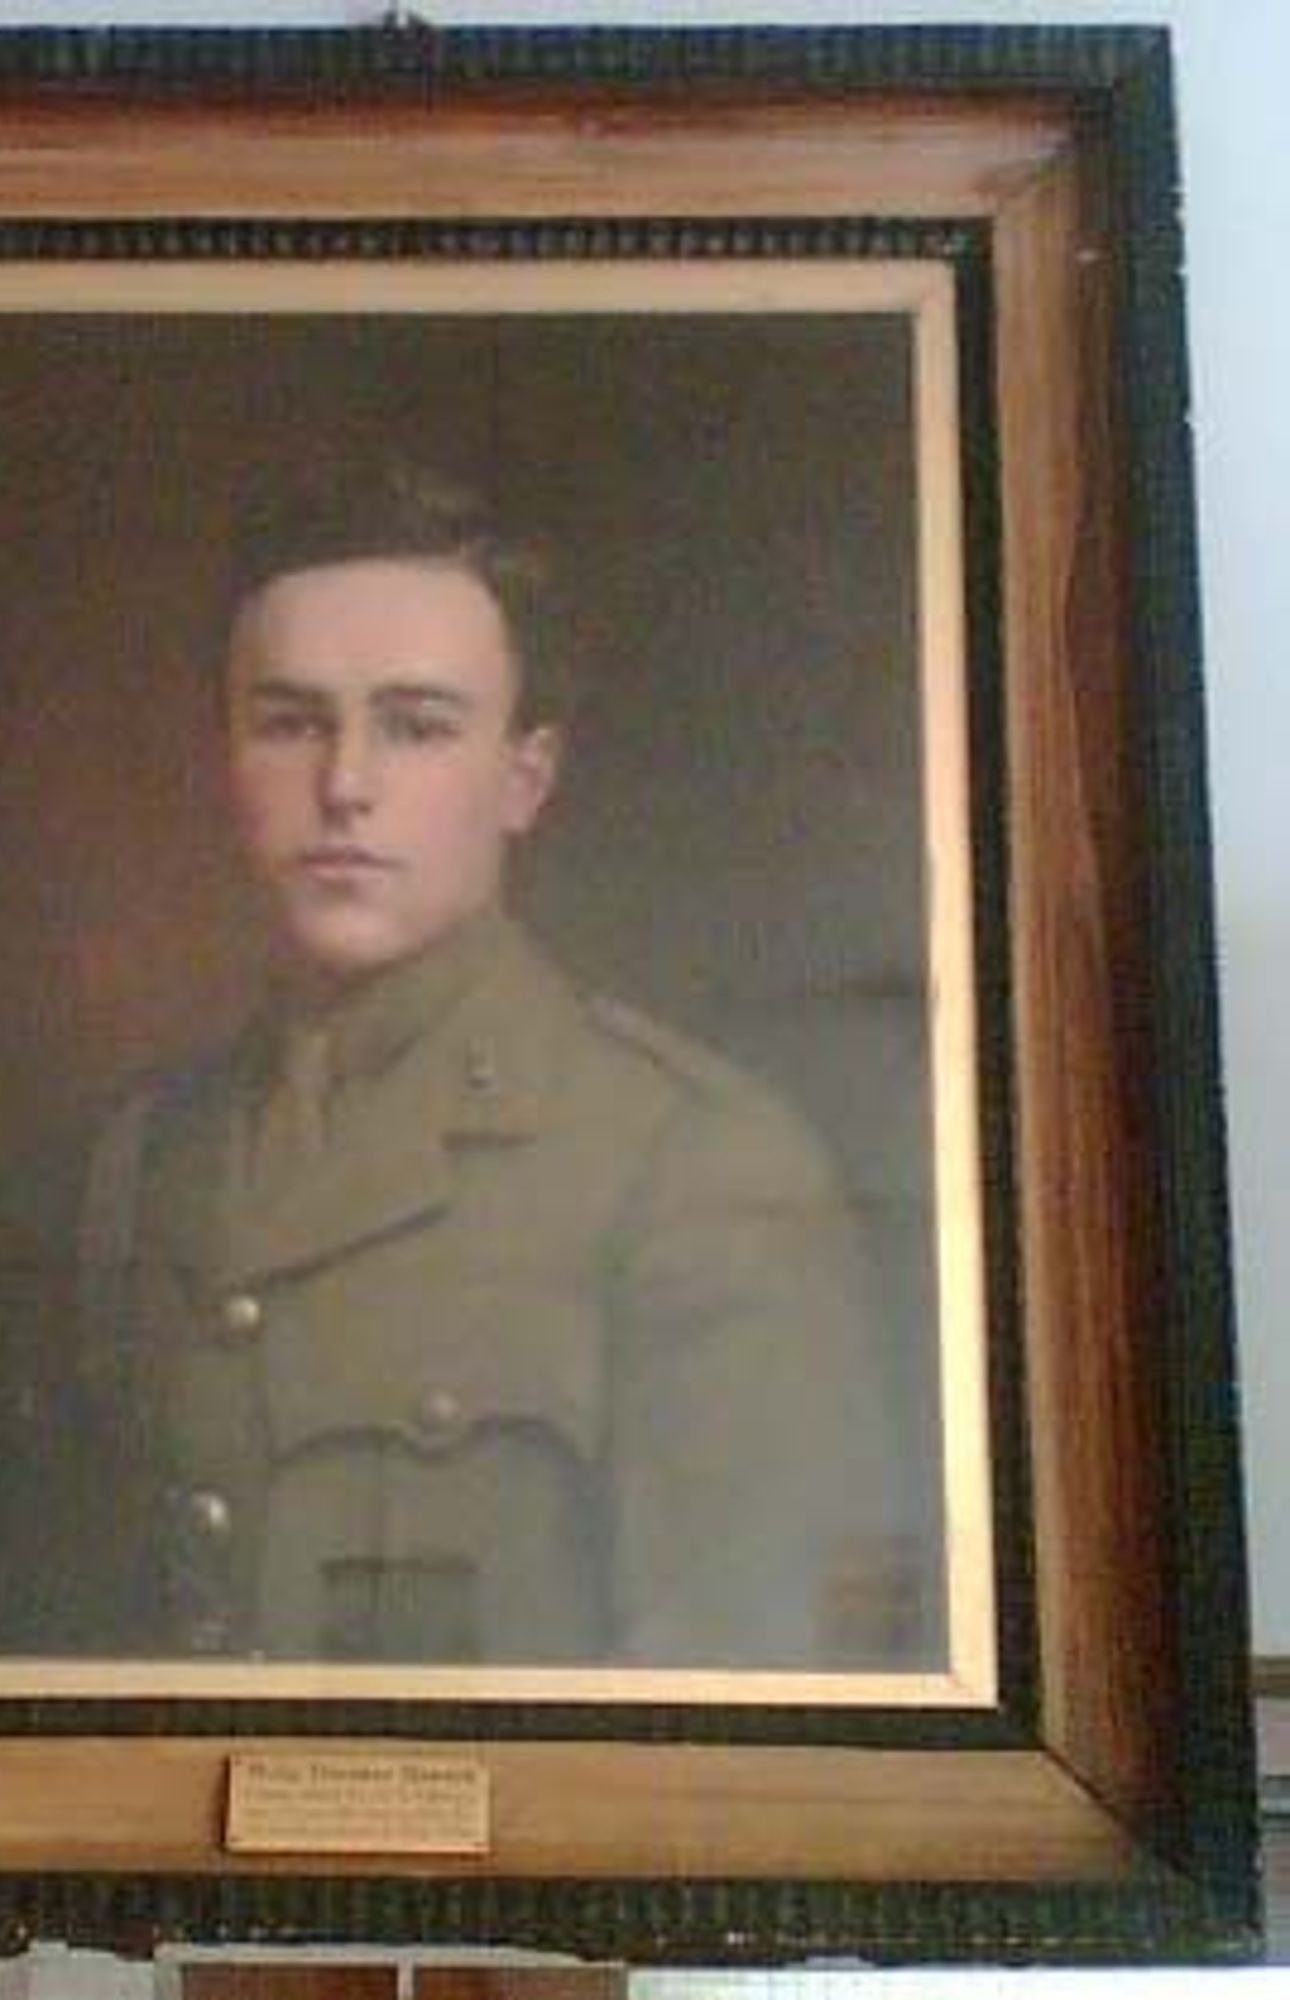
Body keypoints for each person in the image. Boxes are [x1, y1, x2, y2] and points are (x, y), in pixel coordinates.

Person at [77, 461, 926, 1670]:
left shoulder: (695, 1165)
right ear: (225, 757)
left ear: (526, 775)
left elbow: (761, 1750)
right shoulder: (145, 1153)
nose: (346, 786)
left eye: (416, 726)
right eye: (290, 721)